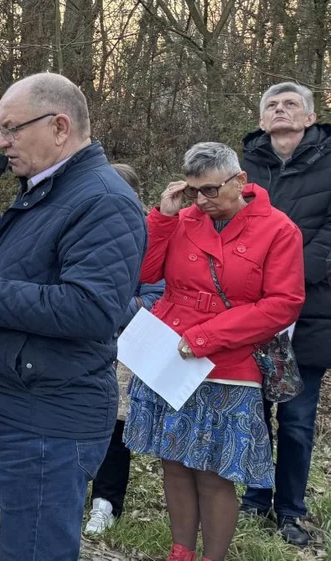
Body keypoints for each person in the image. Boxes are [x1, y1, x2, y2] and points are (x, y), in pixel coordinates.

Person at [0, 73, 146, 561]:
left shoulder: (102, 200)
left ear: (59, 126)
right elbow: (21, 277)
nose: (0, 144)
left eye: (11, 129)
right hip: (24, 401)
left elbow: (90, 310)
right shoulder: (45, 189)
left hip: (50, 417)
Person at [125, 142, 304, 561]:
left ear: (240, 180)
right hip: (169, 354)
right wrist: (163, 218)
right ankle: (180, 552)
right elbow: (145, 273)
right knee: (173, 462)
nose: (202, 201)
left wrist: (207, 337)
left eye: (210, 190)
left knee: (212, 471)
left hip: (230, 360)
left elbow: (283, 303)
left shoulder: (278, 229)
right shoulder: (183, 219)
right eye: (194, 192)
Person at [239, 81, 331, 546]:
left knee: (296, 419)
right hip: (252, 309)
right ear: (261, 120)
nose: (280, 110)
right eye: (271, 105)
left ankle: (290, 508)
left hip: (311, 311)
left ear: (310, 117)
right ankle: (254, 497)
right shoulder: (244, 165)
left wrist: (289, 276)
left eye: (290, 104)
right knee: (253, 412)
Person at [82, 163, 166, 535]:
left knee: (113, 427)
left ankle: (106, 502)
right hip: (78, 345)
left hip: (125, 348)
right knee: (68, 420)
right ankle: (53, 490)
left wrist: (105, 304)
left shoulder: (152, 238)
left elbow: (160, 294)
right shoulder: (81, 231)